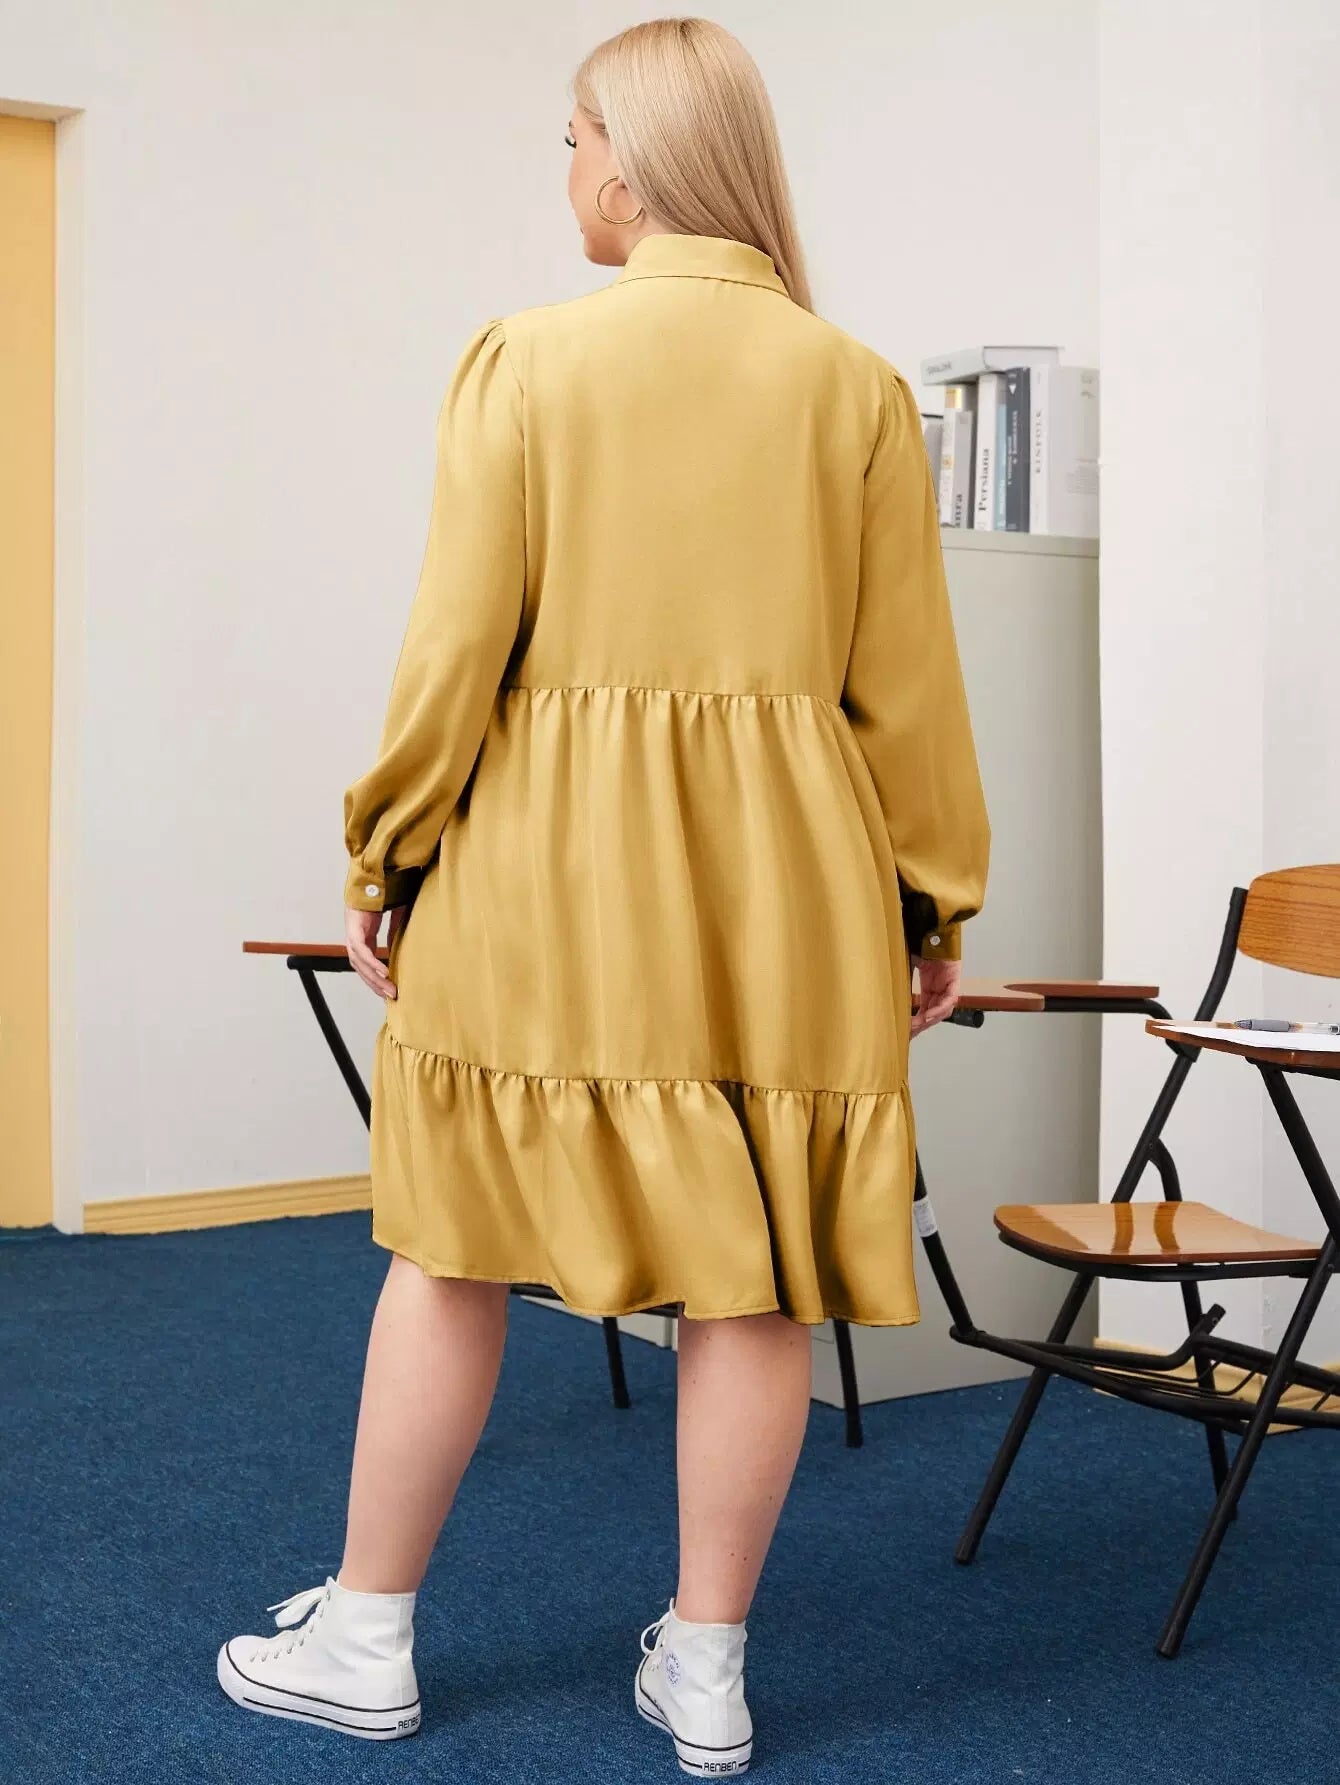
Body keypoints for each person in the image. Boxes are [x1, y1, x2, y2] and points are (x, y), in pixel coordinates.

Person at [216, 15, 989, 1774]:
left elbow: (455, 653)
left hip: (548, 874)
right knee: (753, 1276)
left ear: (629, 165)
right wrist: (929, 902)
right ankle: (708, 1666)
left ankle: (366, 1637)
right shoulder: (858, 388)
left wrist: (387, 848)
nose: (565, 169)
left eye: (571, 138)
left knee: (452, 1251)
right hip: (785, 892)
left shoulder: (528, 364)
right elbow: (910, 695)